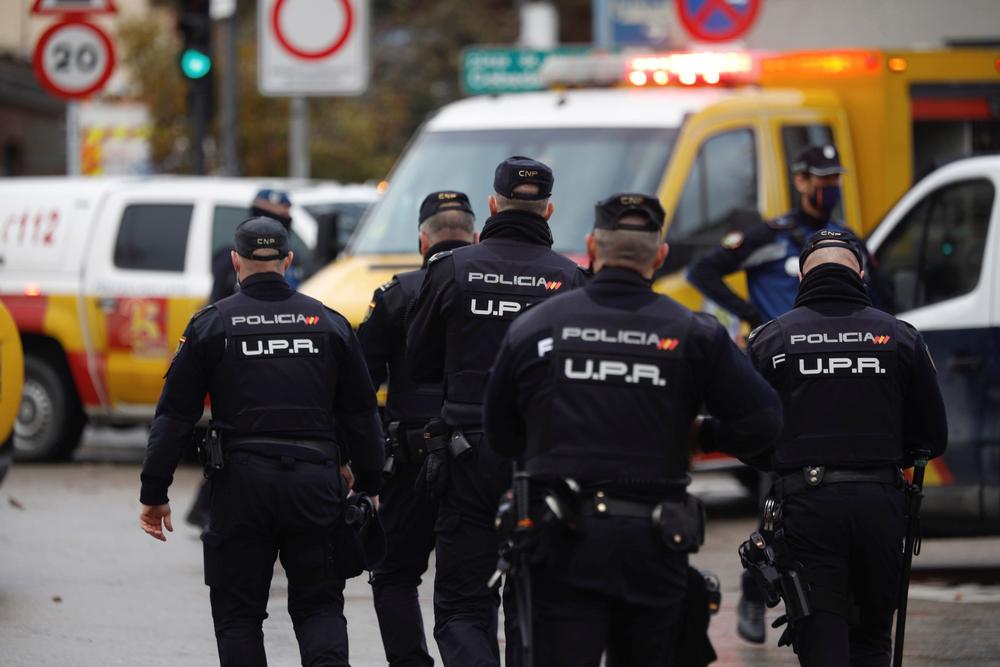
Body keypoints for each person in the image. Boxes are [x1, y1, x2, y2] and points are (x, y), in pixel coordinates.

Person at [482, 193, 784, 666]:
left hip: (562, 541)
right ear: (659, 256)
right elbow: (765, 423)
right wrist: (703, 435)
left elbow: (499, 434)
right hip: (654, 544)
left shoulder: (536, 326)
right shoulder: (694, 333)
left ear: (591, 248)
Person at [138, 216, 385, 667]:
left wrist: (155, 492)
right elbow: (362, 414)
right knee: (319, 606)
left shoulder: (211, 325)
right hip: (315, 484)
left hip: (240, 485)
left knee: (238, 616)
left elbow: (174, 417)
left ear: (236, 261)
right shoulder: (328, 324)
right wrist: (369, 482)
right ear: (288, 261)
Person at [406, 157, 587, 666]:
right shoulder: (572, 279)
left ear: (492, 204)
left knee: (463, 604)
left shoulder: (452, 270)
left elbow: (418, 363)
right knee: (533, 600)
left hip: (468, 455)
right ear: (549, 208)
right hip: (542, 461)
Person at [744, 229, 948, 666]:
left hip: (807, 507)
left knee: (821, 640)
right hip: (881, 506)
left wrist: (783, 463)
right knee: (873, 639)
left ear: (801, 279)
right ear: (860, 274)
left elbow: (744, 432)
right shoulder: (901, 337)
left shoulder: (771, 340)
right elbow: (933, 436)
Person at [687, 143, 854, 642]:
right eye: (819, 177)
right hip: (778, 373)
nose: (828, 187)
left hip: (833, 373)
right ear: (799, 181)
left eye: (833, 177)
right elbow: (703, 271)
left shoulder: (844, 241)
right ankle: (756, 592)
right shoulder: (769, 236)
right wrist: (753, 316)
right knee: (779, 485)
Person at [357, 191, 477, 667]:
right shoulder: (496, 290)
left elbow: (361, 385)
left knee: (393, 573)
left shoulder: (397, 294)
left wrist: (366, 463)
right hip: (479, 456)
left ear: (422, 239)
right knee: (475, 583)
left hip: (409, 458)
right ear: (475, 235)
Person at [209, 189, 297, 304]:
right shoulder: (227, 259)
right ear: (236, 260)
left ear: (287, 260)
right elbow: (219, 303)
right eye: (281, 216)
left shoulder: (296, 258)